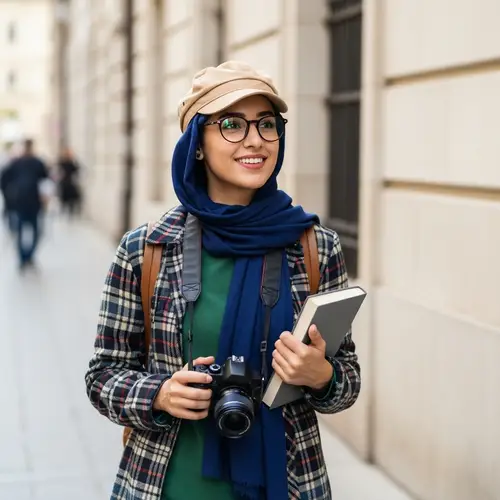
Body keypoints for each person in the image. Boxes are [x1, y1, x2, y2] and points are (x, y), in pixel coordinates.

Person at [85, 61, 361, 500]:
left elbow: (346, 382)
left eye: (266, 124)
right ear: (197, 143)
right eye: (231, 124)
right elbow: (102, 377)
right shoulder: (146, 250)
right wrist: (160, 394)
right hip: (168, 483)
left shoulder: (314, 247)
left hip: (286, 484)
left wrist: (321, 375)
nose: (254, 140)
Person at [1, 139, 49, 269]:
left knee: (37, 232)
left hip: (34, 203)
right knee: (21, 232)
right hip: (20, 203)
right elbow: (4, 180)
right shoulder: (16, 163)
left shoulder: (38, 163)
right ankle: (23, 258)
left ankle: (29, 256)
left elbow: (45, 182)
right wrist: (9, 197)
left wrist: (45, 198)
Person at [57, 147, 82, 216]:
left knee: (71, 198)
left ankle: (70, 210)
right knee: (64, 198)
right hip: (64, 182)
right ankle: (64, 209)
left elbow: (77, 170)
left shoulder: (71, 163)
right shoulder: (61, 162)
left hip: (70, 182)